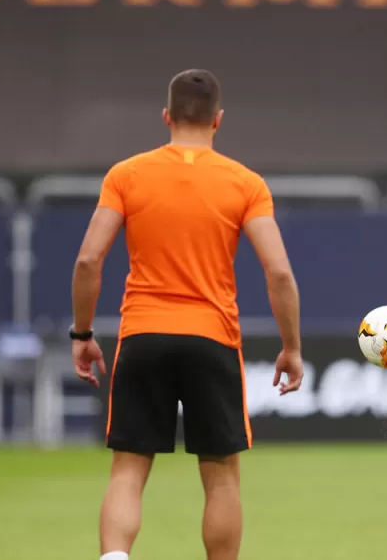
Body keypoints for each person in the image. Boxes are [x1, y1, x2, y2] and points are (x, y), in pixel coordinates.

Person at [69, 69, 305, 560]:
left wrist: (82, 333)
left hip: (143, 334)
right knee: (220, 474)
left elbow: (89, 259)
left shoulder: (127, 175)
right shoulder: (245, 183)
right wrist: (291, 348)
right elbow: (279, 273)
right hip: (212, 339)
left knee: (129, 469)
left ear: (166, 117)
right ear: (218, 121)